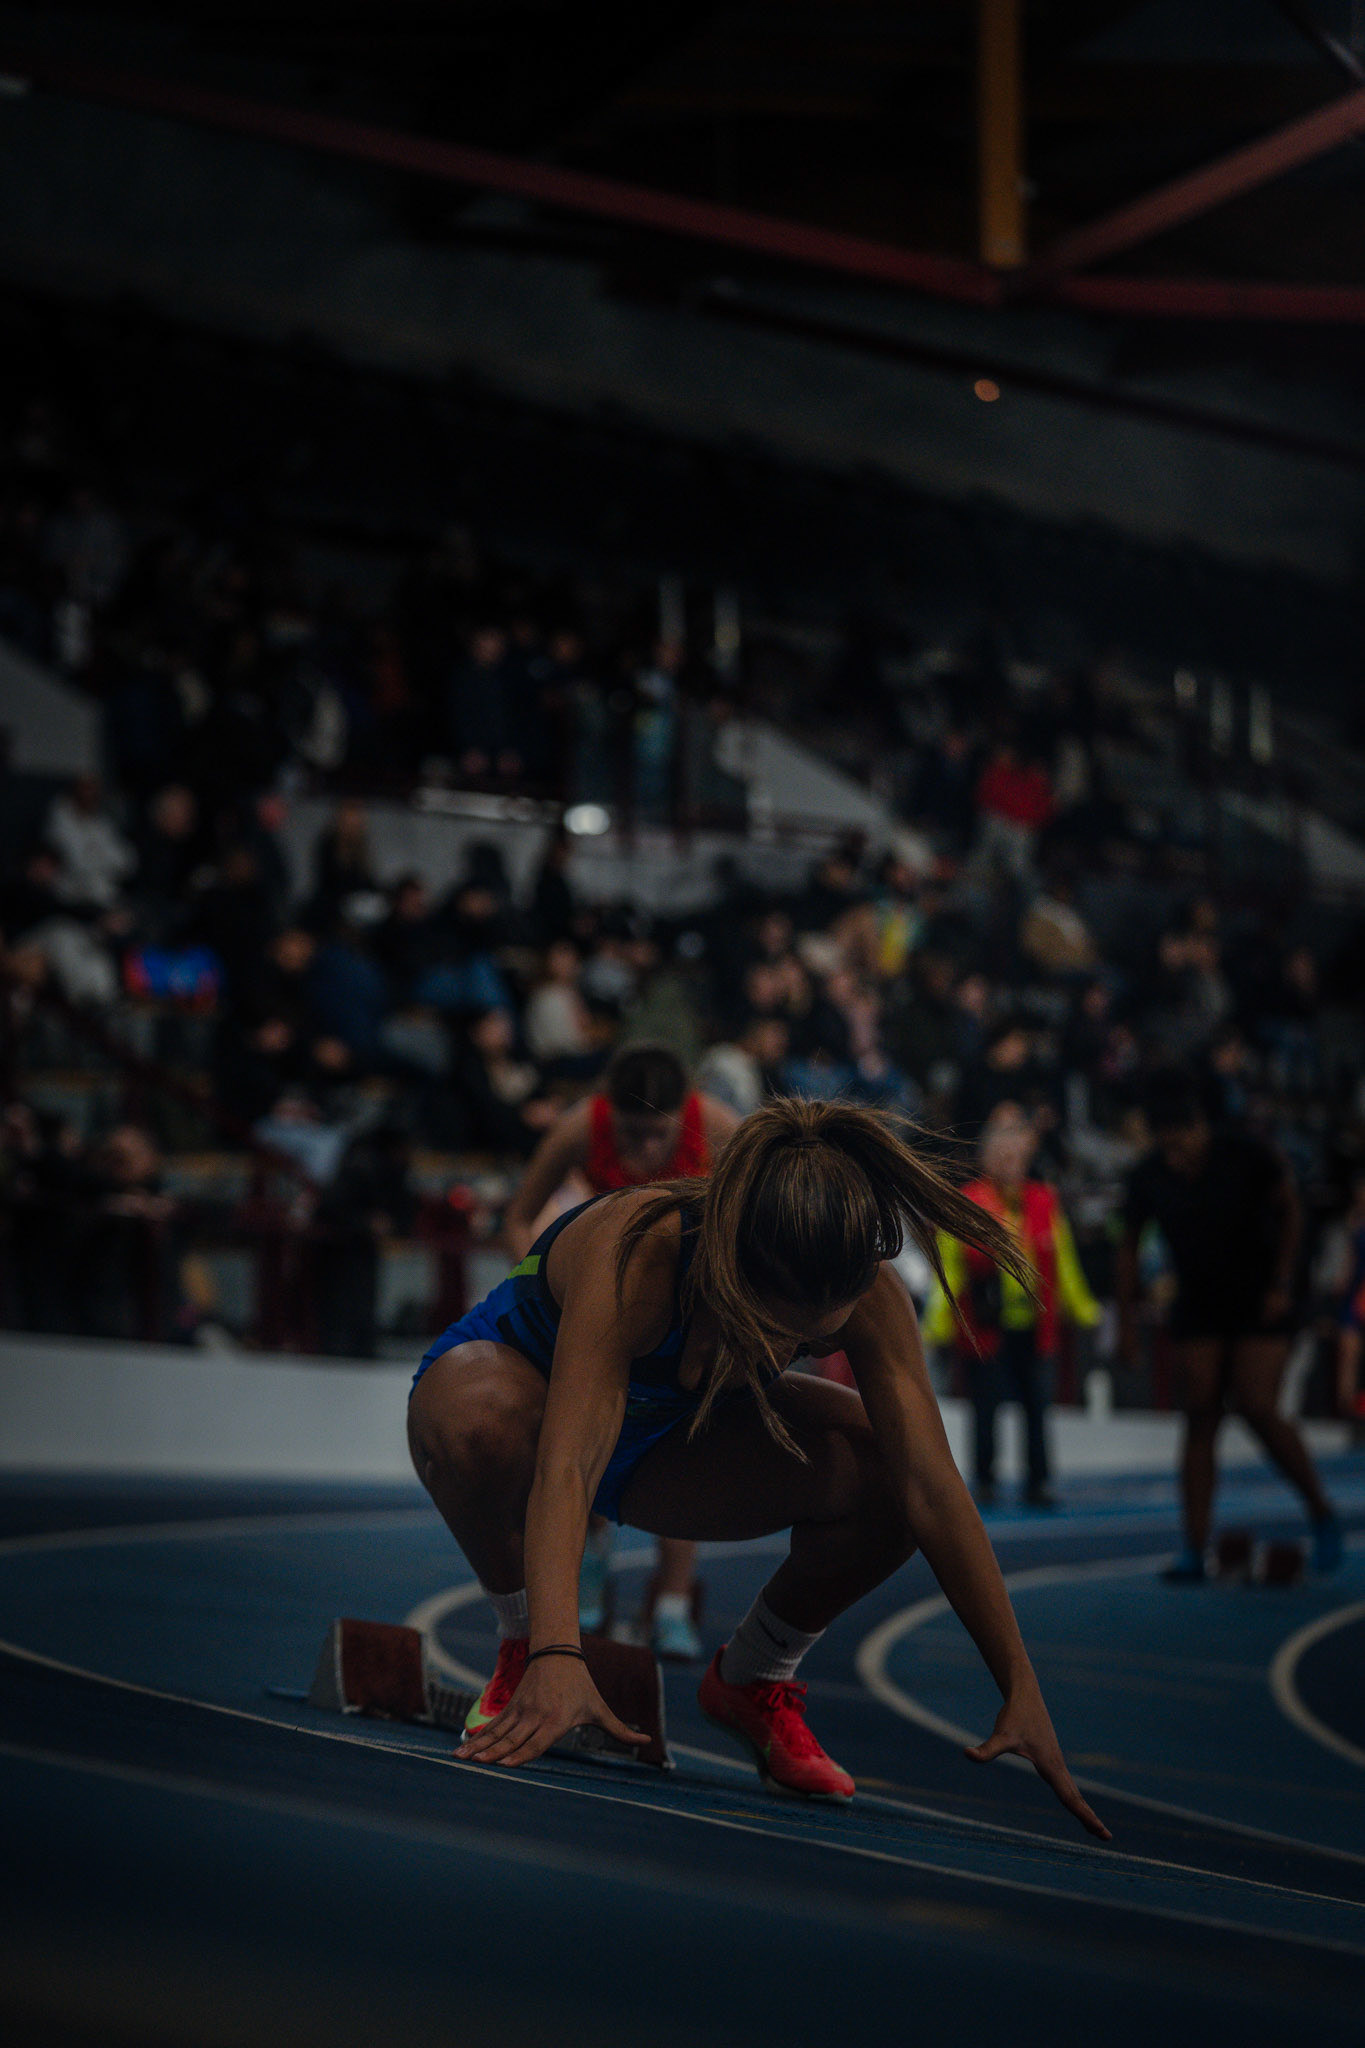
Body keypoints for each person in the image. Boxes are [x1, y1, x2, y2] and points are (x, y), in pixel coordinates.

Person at [407, 1098, 1109, 1833]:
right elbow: (568, 1467)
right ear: (734, 1261)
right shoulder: (640, 1249)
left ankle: (755, 1676)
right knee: (478, 1415)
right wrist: (555, 1649)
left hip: (666, 1443)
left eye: (807, 1339)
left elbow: (933, 1490)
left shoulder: (867, 1292)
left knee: (886, 1473)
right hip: (530, 1411)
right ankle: (519, 1645)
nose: (781, 1349)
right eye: (772, 1326)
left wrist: (1019, 1685)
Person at [501, 1043, 740, 1659]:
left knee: (683, 1453)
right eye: (630, 1134)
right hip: (604, 1304)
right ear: (610, 1113)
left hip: (688, 1309)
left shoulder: (720, 1129)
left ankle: (672, 1603)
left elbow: (755, 1229)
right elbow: (520, 1217)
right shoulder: (580, 1127)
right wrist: (537, 1292)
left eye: (659, 1135)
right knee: (582, 1440)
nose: (643, 1151)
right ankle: (588, 1572)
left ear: (683, 1115)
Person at [1117, 1076, 1341, 1582]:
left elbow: (1291, 1209)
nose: (1175, 1159)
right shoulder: (1148, 1175)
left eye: (1181, 1145)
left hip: (1260, 1297)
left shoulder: (1245, 1154)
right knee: (1200, 1415)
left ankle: (1321, 1509)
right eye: (1165, 1149)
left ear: (1199, 1128)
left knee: (1257, 1405)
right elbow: (1128, 1248)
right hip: (1199, 1301)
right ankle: (1194, 1549)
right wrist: (1127, 1325)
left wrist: (1283, 1280)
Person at [923, 1104, 1100, 1508]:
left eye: (1016, 1154)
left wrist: (1084, 1308)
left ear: (1027, 1155)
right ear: (986, 1157)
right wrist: (937, 1323)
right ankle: (985, 1478)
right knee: (985, 1407)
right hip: (984, 1325)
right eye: (1001, 1154)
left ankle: (1039, 1480)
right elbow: (948, 1269)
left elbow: (1064, 1262)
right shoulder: (968, 1201)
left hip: (1035, 1326)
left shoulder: (1044, 1199)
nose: (1009, 1161)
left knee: (1038, 1406)